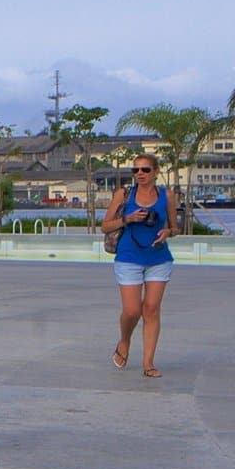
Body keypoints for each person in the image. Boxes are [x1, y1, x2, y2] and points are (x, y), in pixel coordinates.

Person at [102, 153, 176, 378]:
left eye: (145, 170)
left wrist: (168, 232)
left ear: (155, 172)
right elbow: (105, 226)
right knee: (132, 310)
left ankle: (148, 363)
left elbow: (175, 226)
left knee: (151, 309)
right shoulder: (124, 194)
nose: (140, 174)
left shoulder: (167, 195)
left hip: (158, 258)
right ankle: (124, 341)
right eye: (135, 170)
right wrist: (128, 219)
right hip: (128, 257)